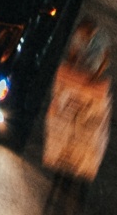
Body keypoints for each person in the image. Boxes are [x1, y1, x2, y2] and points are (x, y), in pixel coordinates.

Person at [43, 23, 111, 206]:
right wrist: (72, 70)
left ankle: (74, 193)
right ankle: (62, 182)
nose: (81, 37)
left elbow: (105, 60)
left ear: (92, 31)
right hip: (79, 83)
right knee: (68, 132)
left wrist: (94, 77)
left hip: (88, 84)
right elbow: (73, 54)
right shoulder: (79, 36)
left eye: (84, 34)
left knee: (83, 138)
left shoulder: (101, 38)